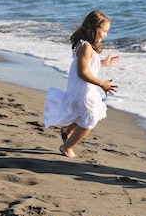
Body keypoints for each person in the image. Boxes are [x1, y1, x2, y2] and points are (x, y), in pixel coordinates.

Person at [44, 10, 119, 158]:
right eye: (104, 31)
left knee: (94, 113)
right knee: (89, 120)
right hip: (82, 90)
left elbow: (90, 65)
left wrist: (104, 63)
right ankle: (66, 147)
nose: (105, 35)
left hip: (86, 89)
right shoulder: (85, 47)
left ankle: (67, 130)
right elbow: (82, 72)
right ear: (93, 29)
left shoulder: (87, 46)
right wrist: (102, 84)